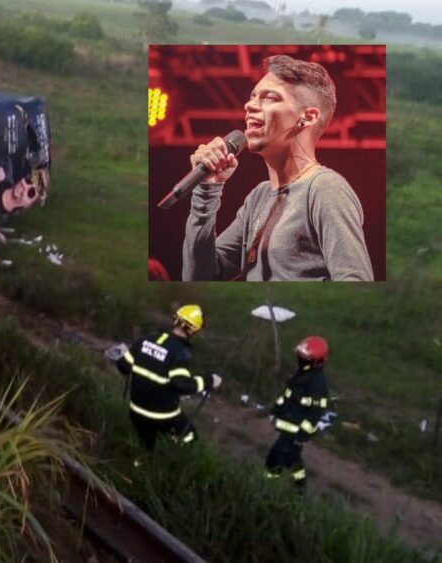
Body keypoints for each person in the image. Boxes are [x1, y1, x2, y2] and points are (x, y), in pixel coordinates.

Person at [182, 55, 374, 281]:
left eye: (269, 97)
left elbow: (356, 281)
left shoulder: (324, 188)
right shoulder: (259, 197)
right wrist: (206, 192)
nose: (249, 105)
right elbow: (199, 279)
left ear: (307, 117)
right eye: (252, 97)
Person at [116, 305, 222, 450]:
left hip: (135, 412)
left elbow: (122, 366)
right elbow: (182, 384)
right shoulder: (180, 353)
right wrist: (210, 381)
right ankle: (169, 452)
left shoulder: (145, 340)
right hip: (162, 417)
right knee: (190, 435)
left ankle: (141, 462)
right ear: (192, 330)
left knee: (145, 447)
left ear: (175, 321)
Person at [265, 336, 330, 490]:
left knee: (274, 459)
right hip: (288, 426)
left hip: (296, 432)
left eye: (305, 358)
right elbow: (287, 396)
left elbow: (316, 412)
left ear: (316, 361)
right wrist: (275, 410)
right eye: (300, 357)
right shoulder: (300, 375)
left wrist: (303, 435)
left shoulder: (317, 383)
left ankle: (268, 488)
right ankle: (300, 488)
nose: (301, 360)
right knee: (292, 458)